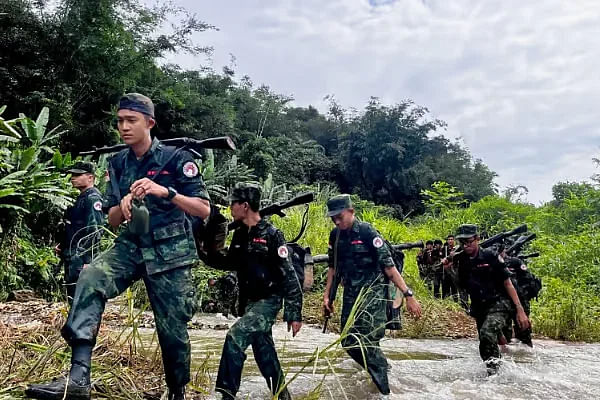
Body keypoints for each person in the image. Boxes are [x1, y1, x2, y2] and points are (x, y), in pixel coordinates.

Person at [26, 93, 211, 400]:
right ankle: (78, 378)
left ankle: (177, 392)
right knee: (91, 277)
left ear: (149, 123)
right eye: (120, 121)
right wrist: (122, 205)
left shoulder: (179, 158)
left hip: (170, 252)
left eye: (131, 120)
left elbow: (203, 208)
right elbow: (110, 218)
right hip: (132, 244)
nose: (124, 127)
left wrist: (164, 192)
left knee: (172, 330)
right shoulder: (117, 163)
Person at [204, 183, 302, 400]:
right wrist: (207, 250)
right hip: (249, 302)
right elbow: (229, 262)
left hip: (269, 301)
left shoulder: (272, 235)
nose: (230, 208)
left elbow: (290, 276)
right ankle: (282, 396)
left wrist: (294, 314)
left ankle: (226, 394)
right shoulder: (240, 234)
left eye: (233, 204)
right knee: (264, 354)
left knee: (234, 337)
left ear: (245, 206)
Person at [322, 194, 422, 396]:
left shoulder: (367, 232)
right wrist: (327, 297)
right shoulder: (336, 235)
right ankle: (382, 369)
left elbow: (389, 267)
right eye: (333, 218)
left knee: (367, 340)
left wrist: (408, 294)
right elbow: (332, 269)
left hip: (373, 293)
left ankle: (385, 391)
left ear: (351, 211)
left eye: (340, 216)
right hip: (351, 294)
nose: (337, 221)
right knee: (348, 341)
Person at [448, 224, 530, 375]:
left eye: (469, 241)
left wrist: (520, 310)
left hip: (499, 303)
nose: (466, 246)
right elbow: (462, 286)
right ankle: (494, 372)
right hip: (480, 307)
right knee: (484, 343)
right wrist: (450, 270)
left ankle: (495, 374)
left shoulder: (490, 256)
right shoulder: (462, 260)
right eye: (463, 243)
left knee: (487, 333)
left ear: (477, 239)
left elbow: (508, 283)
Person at [57, 161, 104, 304]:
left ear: (90, 178)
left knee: (80, 297)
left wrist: (88, 260)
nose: (73, 178)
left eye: (78, 175)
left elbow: (94, 230)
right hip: (73, 254)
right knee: (72, 294)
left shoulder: (92, 198)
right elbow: (74, 227)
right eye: (72, 175)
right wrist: (62, 245)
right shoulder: (82, 197)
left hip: (81, 256)